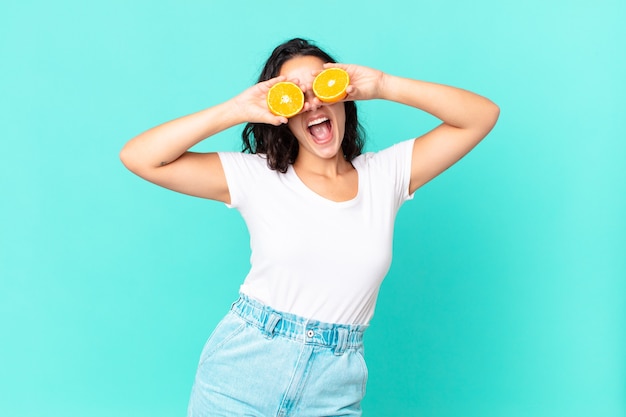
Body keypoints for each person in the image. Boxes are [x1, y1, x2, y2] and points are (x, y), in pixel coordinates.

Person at [119, 37, 499, 417]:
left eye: (321, 86)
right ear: (281, 113)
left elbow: (480, 116)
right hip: (241, 375)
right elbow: (140, 157)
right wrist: (235, 109)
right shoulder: (256, 177)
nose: (313, 103)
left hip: (333, 387)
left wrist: (383, 84)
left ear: (342, 94)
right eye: (296, 96)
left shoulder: (386, 177)